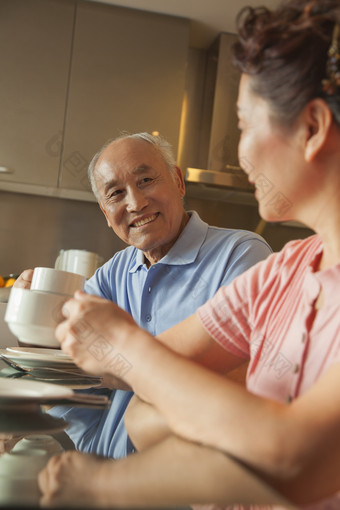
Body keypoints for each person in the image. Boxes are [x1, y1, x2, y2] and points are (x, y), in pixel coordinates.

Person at [37, 0, 340, 508]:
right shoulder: (284, 272)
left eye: (244, 124)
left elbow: (294, 457)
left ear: (310, 129)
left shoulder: (247, 256)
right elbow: (141, 403)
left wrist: (104, 486)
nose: (239, 151)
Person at [14, 132, 271, 460]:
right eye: (116, 193)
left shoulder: (240, 254)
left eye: (146, 180)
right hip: (108, 479)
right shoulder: (113, 272)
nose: (135, 203)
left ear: (178, 181)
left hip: (193, 484)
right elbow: (72, 365)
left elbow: (240, 382)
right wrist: (35, 310)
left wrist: (117, 364)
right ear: (106, 214)